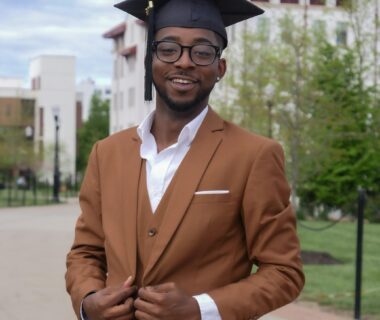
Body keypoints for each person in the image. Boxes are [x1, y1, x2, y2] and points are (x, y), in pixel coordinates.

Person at [65, 0, 305, 319]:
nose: (184, 62)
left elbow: (285, 272)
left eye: (202, 52)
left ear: (220, 68)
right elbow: (86, 252)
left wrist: (199, 309)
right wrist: (88, 301)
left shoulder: (254, 156)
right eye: (169, 49)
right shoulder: (106, 153)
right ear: (151, 61)